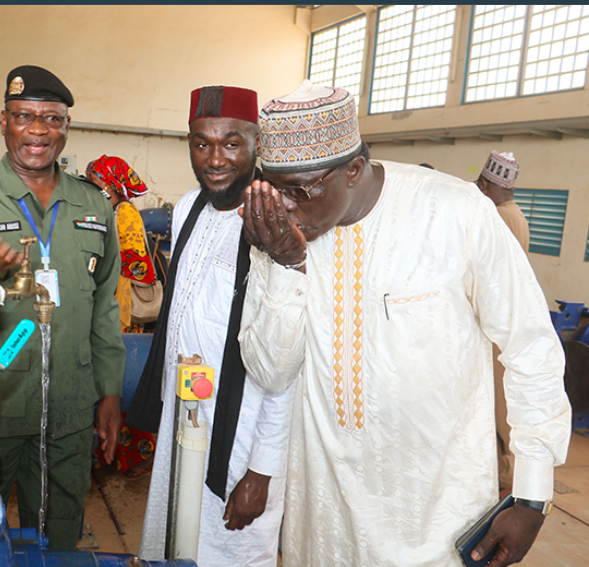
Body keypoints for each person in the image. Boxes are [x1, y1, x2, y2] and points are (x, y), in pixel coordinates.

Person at [238, 80, 571, 567]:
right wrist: (287, 266)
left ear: (353, 170)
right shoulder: (280, 236)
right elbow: (270, 372)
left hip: (438, 522)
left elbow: (531, 347)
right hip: (325, 525)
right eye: (273, 188)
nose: (284, 206)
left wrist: (532, 493)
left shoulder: (455, 212)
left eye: (299, 191)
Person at [0, 65, 125, 551]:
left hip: (71, 409)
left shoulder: (93, 203)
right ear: (4, 121)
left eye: (52, 118)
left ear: (66, 127)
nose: (38, 130)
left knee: (60, 536)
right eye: (24, 116)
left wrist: (110, 392)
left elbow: (104, 308)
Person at [127, 85, 295, 567]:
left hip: (242, 435)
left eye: (231, 142)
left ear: (257, 142)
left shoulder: (276, 220)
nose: (215, 157)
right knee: (173, 544)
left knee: (231, 553)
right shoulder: (187, 208)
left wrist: (262, 470)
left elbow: (287, 359)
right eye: (202, 143)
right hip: (184, 418)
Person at [476, 150, 530, 491]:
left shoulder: (500, 218)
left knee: (493, 412)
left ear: (485, 184)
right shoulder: (515, 213)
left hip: (495, 327)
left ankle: (501, 482)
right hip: (502, 322)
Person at [85, 155, 157, 333]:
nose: (89, 186)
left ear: (108, 184)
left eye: (93, 180)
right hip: (111, 294)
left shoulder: (124, 211)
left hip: (123, 297)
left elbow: (135, 257)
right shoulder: (108, 211)